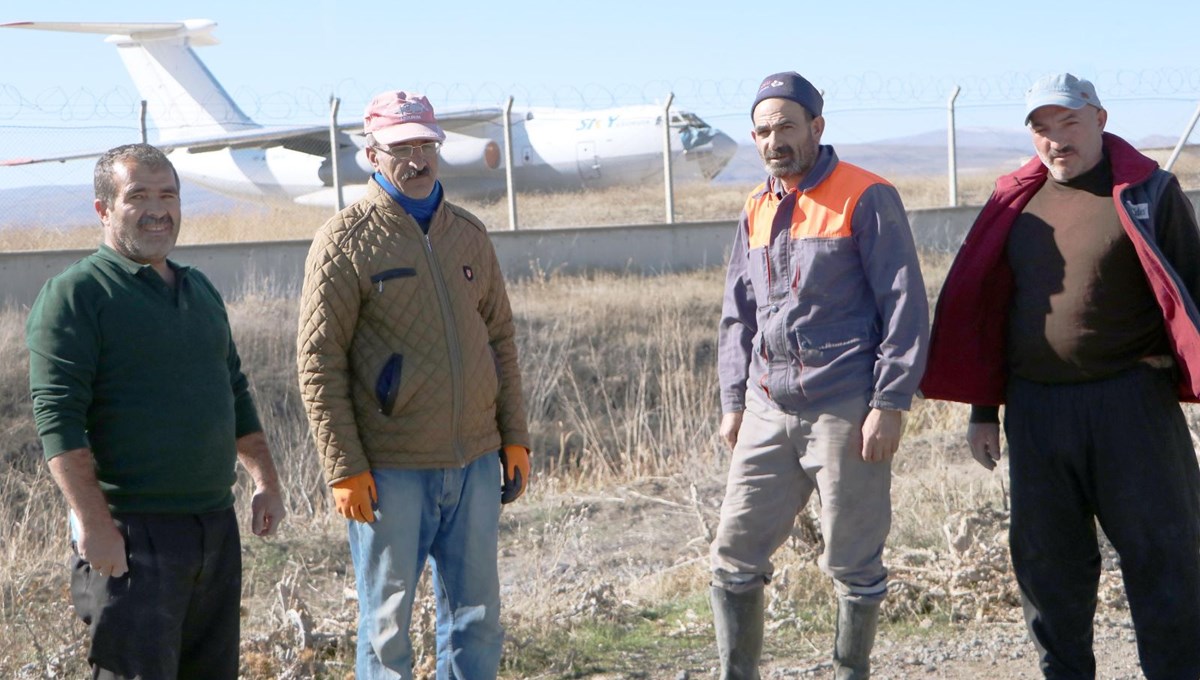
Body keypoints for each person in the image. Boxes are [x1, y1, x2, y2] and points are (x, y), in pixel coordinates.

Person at [921, 73, 1200, 679]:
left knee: (1166, 561)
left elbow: (1192, 292)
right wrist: (983, 411)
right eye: (1041, 128)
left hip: (1133, 405)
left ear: (1099, 119)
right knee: (1050, 571)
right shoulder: (1014, 204)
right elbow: (993, 312)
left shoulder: (1149, 193)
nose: (1055, 138)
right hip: (1038, 412)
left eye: (1068, 121)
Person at [25, 143, 286, 680]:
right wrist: (95, 524)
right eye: (137, 196)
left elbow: (234, 390)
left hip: (214, 528)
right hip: (132, 535)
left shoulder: (200, 290)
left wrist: (265, 479)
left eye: (168, 195)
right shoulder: (77, 295)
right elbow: (58, 419)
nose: (157, 210)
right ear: (103, 209)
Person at [296, 90, 531, 680]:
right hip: (390, 470)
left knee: (478, 618)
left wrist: (514, 437)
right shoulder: (344, 241)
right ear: (372, 154)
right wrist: (344, 468)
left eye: (426, 144)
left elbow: (500, 339)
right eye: (401, 148)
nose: (417, 158)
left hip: (474, 464)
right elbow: (318, 361)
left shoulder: (469, 234)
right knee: (386, 627)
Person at [712, 71, 929, 679]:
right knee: (733, 556)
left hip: (846, 407)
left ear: (816, 127)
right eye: (762, 131)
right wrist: (734, 400)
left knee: (853, 562)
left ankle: (849, 671)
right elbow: (738, 312)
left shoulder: (866, 195)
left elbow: (904, 303)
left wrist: (890, 402)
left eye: (785, 126)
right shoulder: (756, 207)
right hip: (767, 406)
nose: (773, 140)